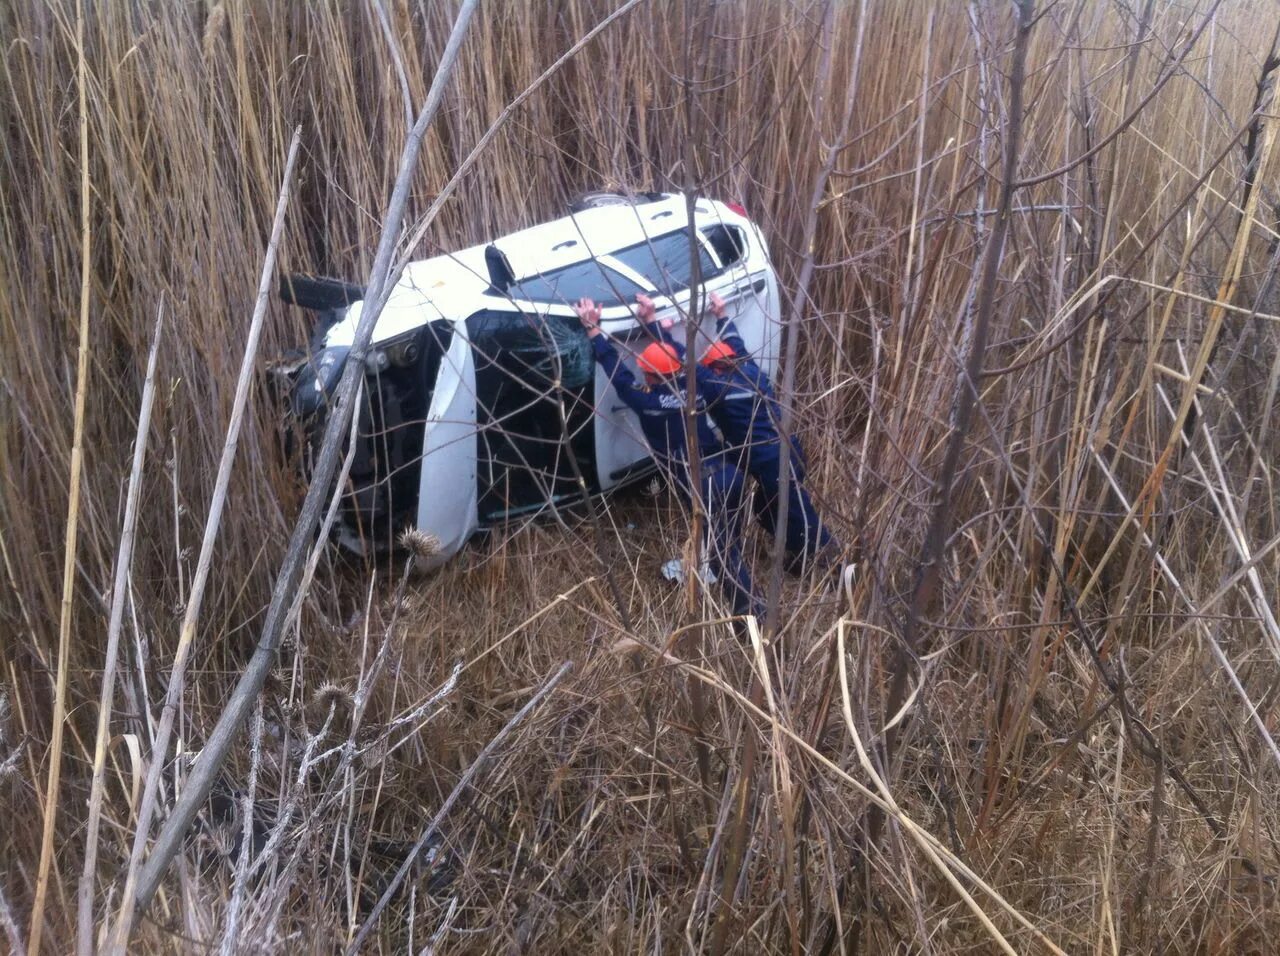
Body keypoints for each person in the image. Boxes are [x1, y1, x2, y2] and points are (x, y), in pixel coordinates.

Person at [574, 296, 761, 619]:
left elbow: (617, 372)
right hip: (731, 474)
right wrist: (653, 324)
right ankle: (715, 570)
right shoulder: (697, 387)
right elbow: (684, 357)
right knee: (729, 534)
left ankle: (750, 615)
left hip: (703, 483)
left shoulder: (648, 402)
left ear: (649, 377)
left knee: (723, 554)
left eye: (646, 372)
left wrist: (593, 331)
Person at [674, 292, 839, 573]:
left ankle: (835, 563)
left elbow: (687, 363)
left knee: (798, 513)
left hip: (774, 461)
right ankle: (798, 555)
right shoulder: (750, 368)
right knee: (766, 509)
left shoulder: (719, 388)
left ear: (716, 368)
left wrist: (660, 330)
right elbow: (735, 342)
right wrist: (722, 314)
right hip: (790, 451)